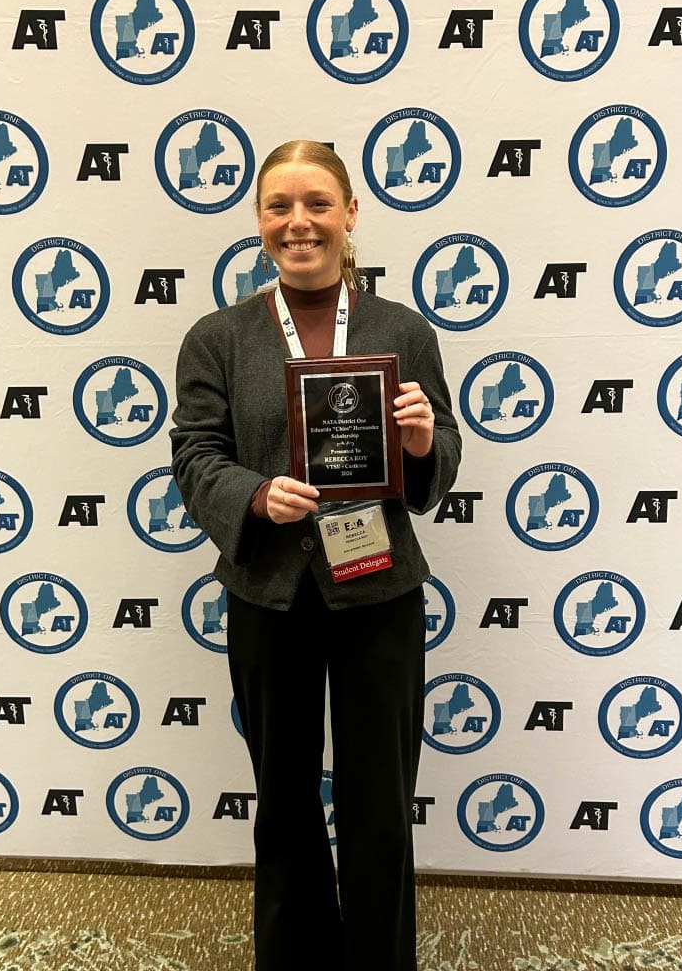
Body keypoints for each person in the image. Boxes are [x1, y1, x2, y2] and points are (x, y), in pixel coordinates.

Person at [170, 140, 461, 971]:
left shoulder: (400, 329)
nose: (298, 223)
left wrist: (415, 442)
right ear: (258, 221)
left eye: (317, 204)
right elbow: (194, 455)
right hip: (268, 592)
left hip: (379, 591)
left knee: (377, 799)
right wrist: (254, 497)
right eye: (278, 206)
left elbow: (440, 450)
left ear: (349, 214)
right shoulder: (217, 336)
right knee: (286, 800)